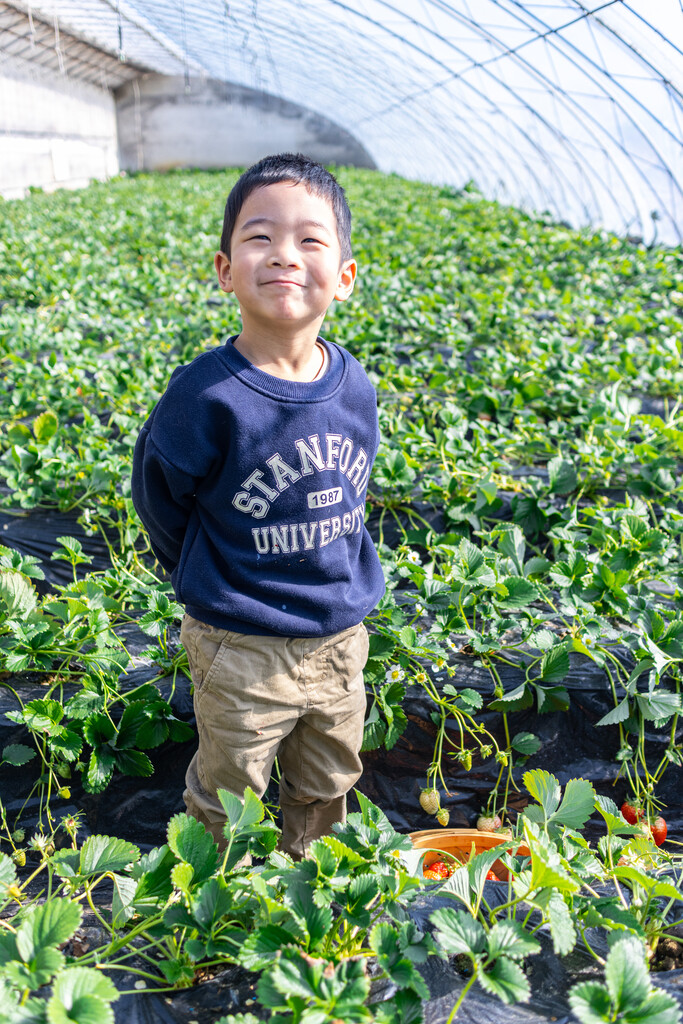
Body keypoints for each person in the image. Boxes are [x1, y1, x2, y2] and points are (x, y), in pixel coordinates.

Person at [131, 153, 385, 858]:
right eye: (259, 237)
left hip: (338, 640)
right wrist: (212, 577)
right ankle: (218, 907)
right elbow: (160, 500)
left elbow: (355, 486)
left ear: (344, 277)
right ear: (224, 270)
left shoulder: (353, 385)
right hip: (239, 645)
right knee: (229, 789)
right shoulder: (205, 397)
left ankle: (308, 886)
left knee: (328, 780)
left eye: (310, 240)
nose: (283, 255)